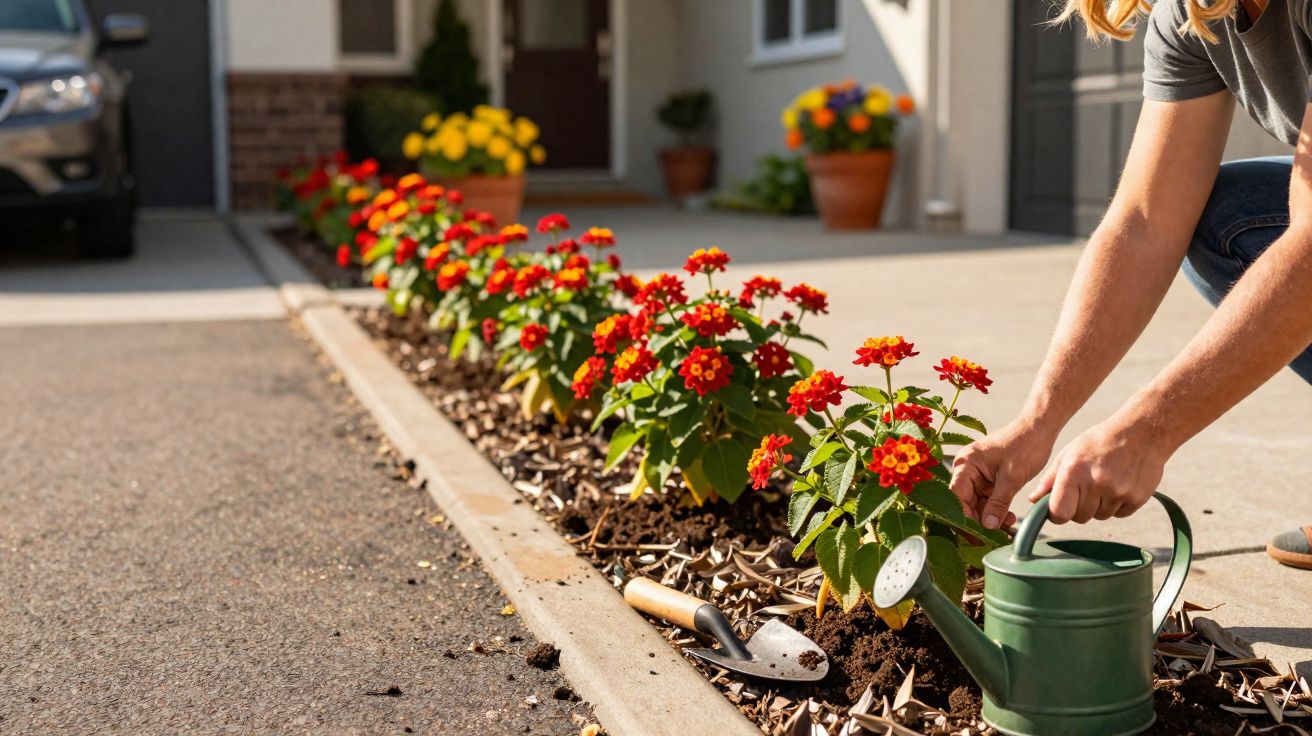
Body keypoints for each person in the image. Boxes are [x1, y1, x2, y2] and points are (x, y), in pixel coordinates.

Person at [948, 0, 1312, 570]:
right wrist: (1034, 425)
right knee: (1225, 220)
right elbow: (1144, 223)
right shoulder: (1196, 15)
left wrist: (1148, 431)